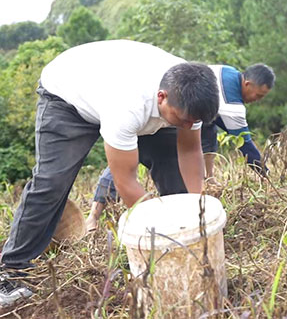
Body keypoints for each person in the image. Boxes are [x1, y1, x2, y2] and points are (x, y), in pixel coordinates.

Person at [0, 40, 218, 308]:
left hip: (121, 89)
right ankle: (11, 270)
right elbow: (125, 181)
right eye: (184, 119)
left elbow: (188, 152)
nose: (188, 125)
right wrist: (158, 234)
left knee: (173, 164)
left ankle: (190, 242)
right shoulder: (127, 107)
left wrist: (197, 213)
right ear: (162, 97)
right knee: (51, 182)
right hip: (68, 96)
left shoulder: (189, 92)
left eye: (193, 121)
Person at [85, 63, 275, 232]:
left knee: (191, 150)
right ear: (248, 84)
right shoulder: (232, 106)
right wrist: (266, 175)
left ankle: (187, 207)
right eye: (258, 95)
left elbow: (198, 147)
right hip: (154, 115)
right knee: (122, 164)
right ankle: (93, 215)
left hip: (176, 113)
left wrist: (198, 202)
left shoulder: (227, 72)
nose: (257, 100)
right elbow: (246, 146)